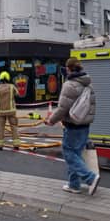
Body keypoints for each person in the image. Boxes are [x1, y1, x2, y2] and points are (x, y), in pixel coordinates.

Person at [45, 57, 99, 196]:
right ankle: (74, 185)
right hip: (84, 124)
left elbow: (62, 108)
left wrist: (51, 120)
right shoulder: (88, 84)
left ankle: (90, 178)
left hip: (72, 125)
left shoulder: (69, 85)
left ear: (68, 69)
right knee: (76, 154)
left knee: (69, 153)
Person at [0, 71, 20, 151]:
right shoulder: (12, 87)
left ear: (0, 79)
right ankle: (16, 145)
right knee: (14, 127)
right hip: (11, 111)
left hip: (1, 111)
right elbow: (17, 94)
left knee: (0, 128)